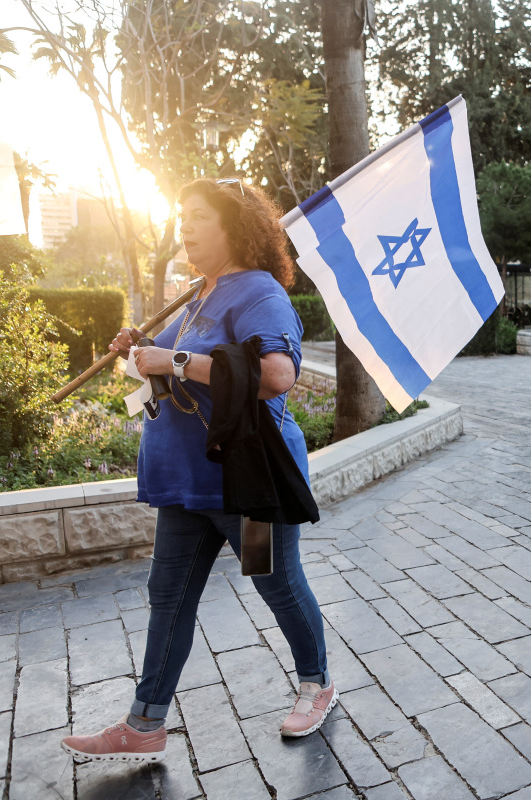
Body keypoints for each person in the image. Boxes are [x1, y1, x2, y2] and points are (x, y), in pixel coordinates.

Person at [61, 179, 336, 764]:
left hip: (246, 487)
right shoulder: (195, 294)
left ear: (231, 226)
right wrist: (140, 349)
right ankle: (145, 723)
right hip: (186, 487)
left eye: (196, 216)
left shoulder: (258, 293)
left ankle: (318, 683)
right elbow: (168, 366)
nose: (183, 226)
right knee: (169, 597)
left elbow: (276, 376)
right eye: (179, 215)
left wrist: (177, 359)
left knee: (276, 582)